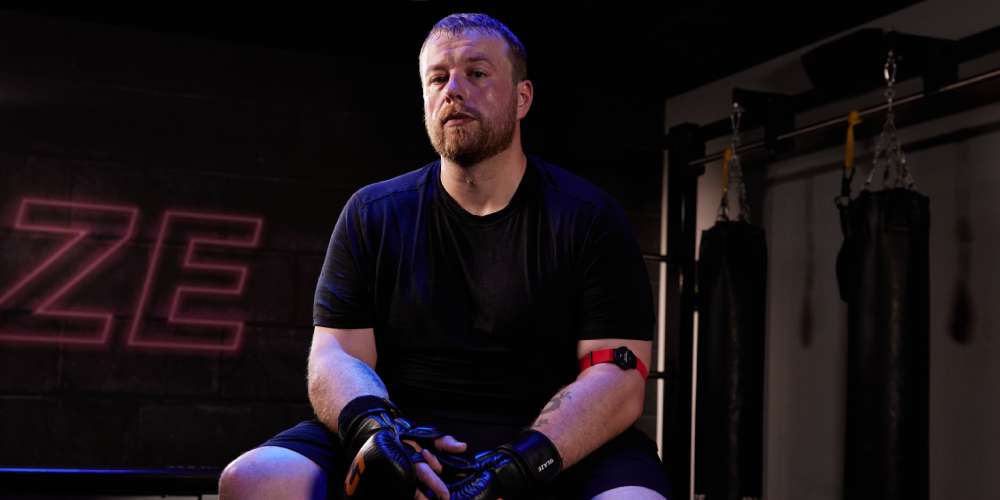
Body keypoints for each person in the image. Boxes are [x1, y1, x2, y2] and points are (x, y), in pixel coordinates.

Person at [219, 12, 670, 500]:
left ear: (523, 98)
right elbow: (336, 354)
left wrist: (521, 464)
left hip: (552, 442)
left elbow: (618, 378)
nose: (453, 89)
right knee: (253, 480)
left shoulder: (589, 217)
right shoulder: (373, 212)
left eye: (476, 73)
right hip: (406, 432)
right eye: (438, 78)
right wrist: (375, 431)